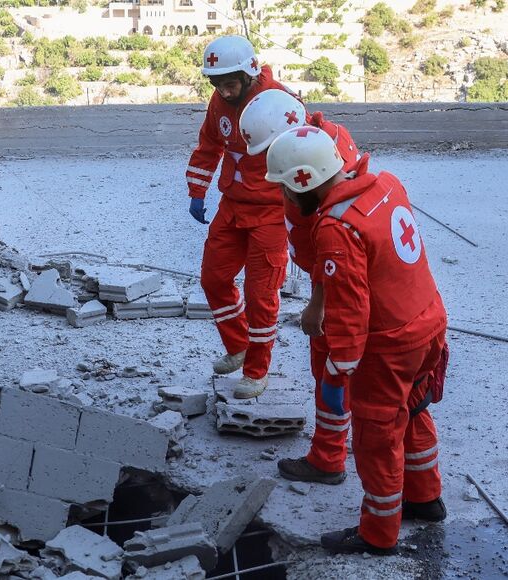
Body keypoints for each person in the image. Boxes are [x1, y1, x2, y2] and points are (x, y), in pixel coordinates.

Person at [265, 126, 450, 555]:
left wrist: (337, 371)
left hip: (390, 345)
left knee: (376, 435)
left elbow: (350, 316)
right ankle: (425, 498)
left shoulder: (336, 228)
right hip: (427, 322)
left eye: (288, 192)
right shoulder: (385, 183)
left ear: (305, 181)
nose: (287, 202)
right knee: (415, 408)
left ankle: (378, 533)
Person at [239, 89, 360, 485]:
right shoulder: (330, 145)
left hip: (339, 284)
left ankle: (329, 457)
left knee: (330, 370)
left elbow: (332, 248)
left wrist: (318, 304)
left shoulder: (308, 185)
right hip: (352, 276)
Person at [185, 36, 298, 399]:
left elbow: (304, 153)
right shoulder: (219, 102)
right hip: (232, 206)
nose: (223, 90)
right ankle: (239, 344)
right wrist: (197, 191)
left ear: (249, 72)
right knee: (213, 278)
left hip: (270, 213)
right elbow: (209, 145)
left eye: (229, 82)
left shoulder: (280, 101)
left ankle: (256, 370)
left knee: (260, 294)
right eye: (216, 83)